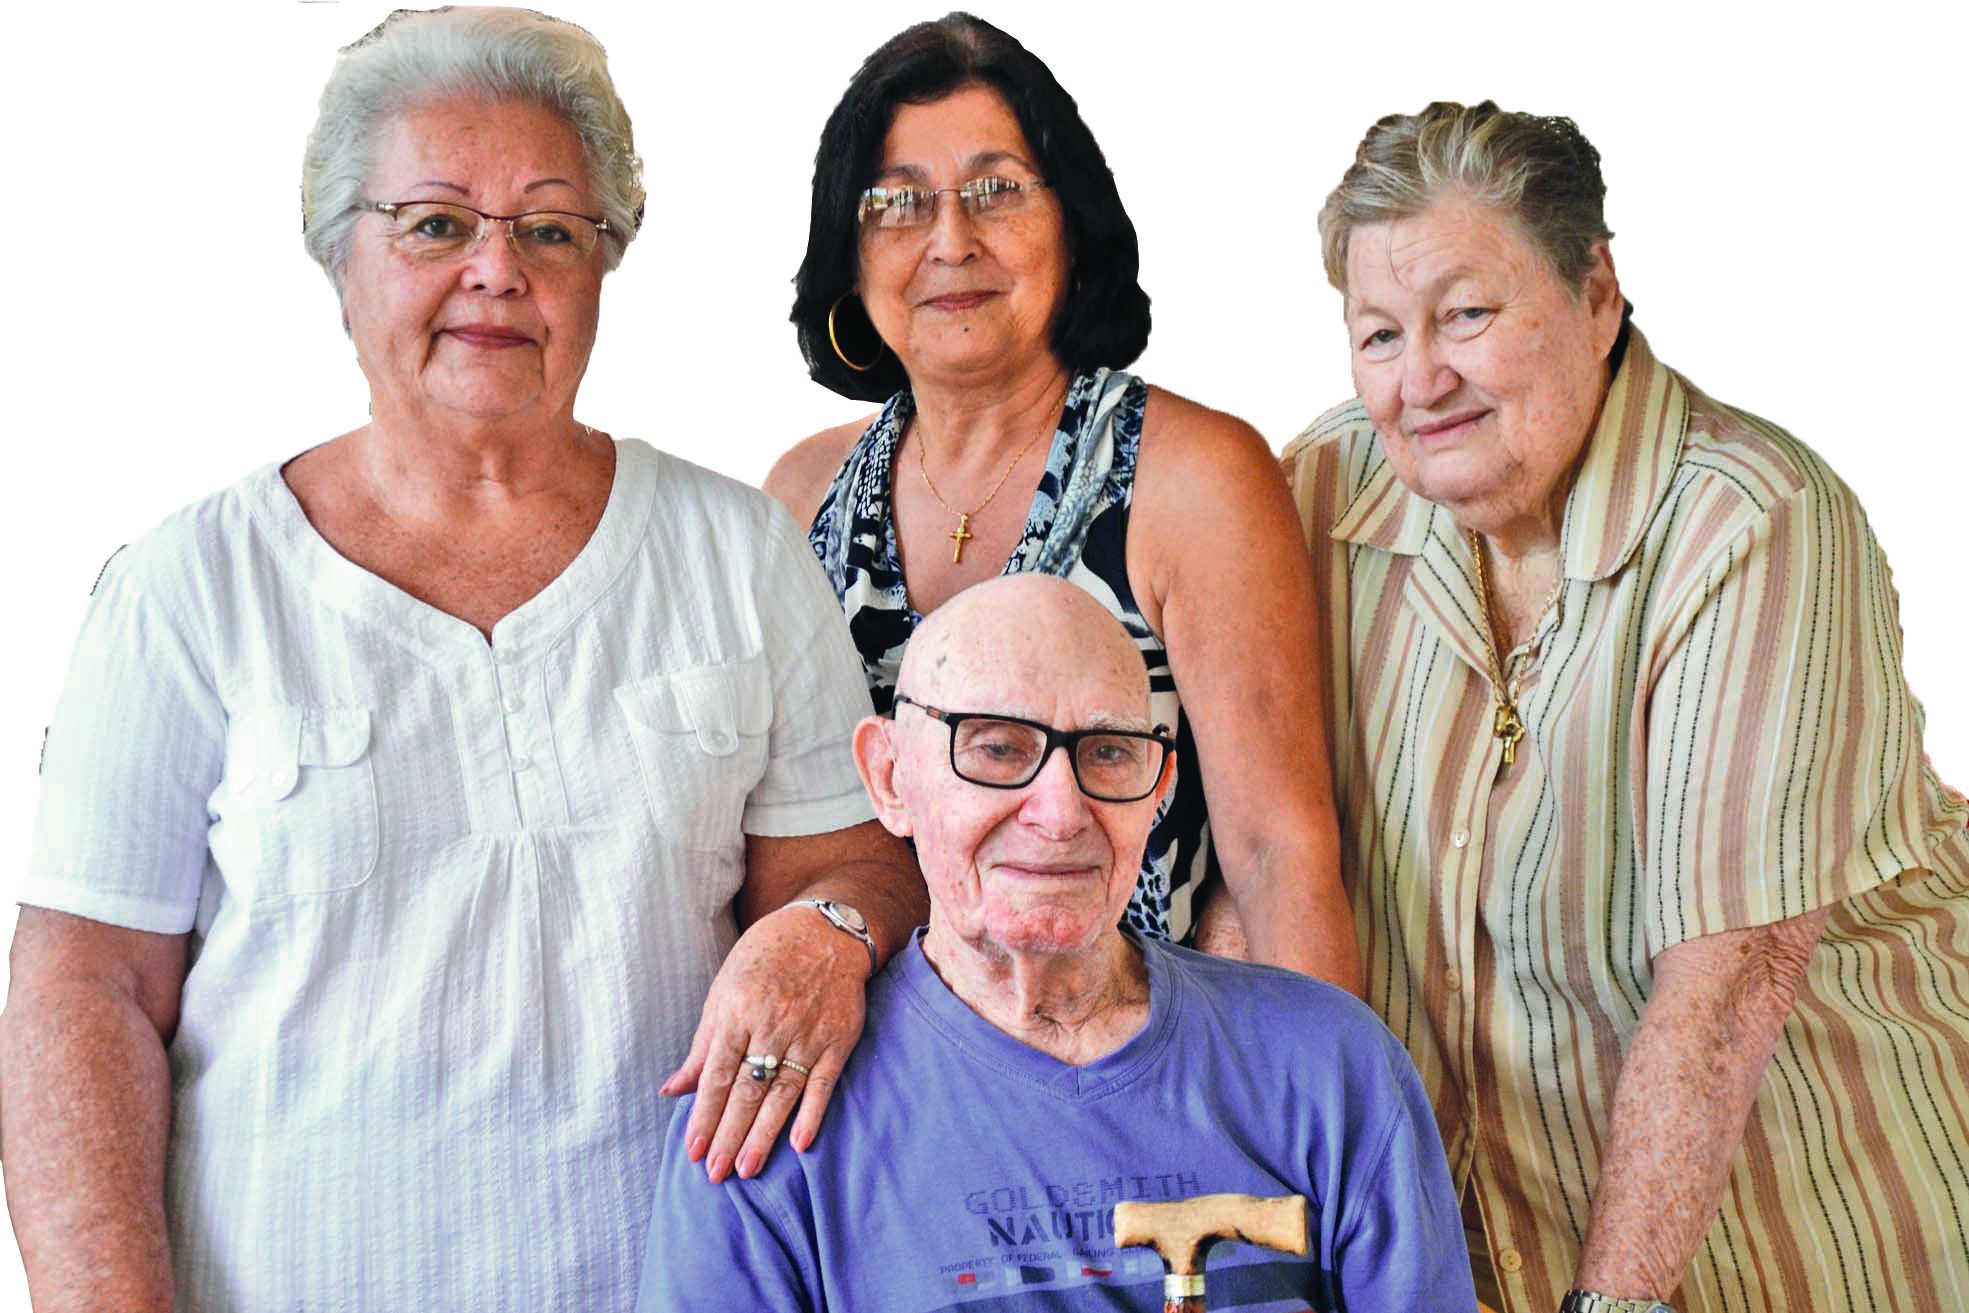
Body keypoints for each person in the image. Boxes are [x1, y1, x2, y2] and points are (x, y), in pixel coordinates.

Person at [0, 10, 923, 1311]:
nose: (498, 270)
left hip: (674, 1283)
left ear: (604, 264)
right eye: (435, 222)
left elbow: (850, 866)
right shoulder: (192, 586)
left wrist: (830, 926)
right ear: (341, 258)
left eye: (550, 228)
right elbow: (82, 996)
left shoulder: (739, 554)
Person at [1285, 99, 1969, 1313]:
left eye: (1467, 315)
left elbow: (1731, 971)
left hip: (1814, 1235)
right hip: (1498, 1253)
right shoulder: (1324, 489)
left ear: (1595, 292)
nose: (1420, 378)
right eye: (1378, 333)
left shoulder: (1750, 522)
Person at [635, 575, 1473, 1311]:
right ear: (889, 776)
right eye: (997, 747)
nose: (1061, 810)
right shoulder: (772, 1112)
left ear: (1159, 789)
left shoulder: (1328, 1064)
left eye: (1107, 753)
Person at [764, 13, 1360, 989]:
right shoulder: (799, 494)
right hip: (872, 1088)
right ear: (849, 250)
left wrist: (1323, 1126)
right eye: (898, 202)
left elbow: (1277, 856)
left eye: (995, 191)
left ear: (1071, 226)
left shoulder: (1195, 475)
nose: (949, 241)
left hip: (1131, 1076)